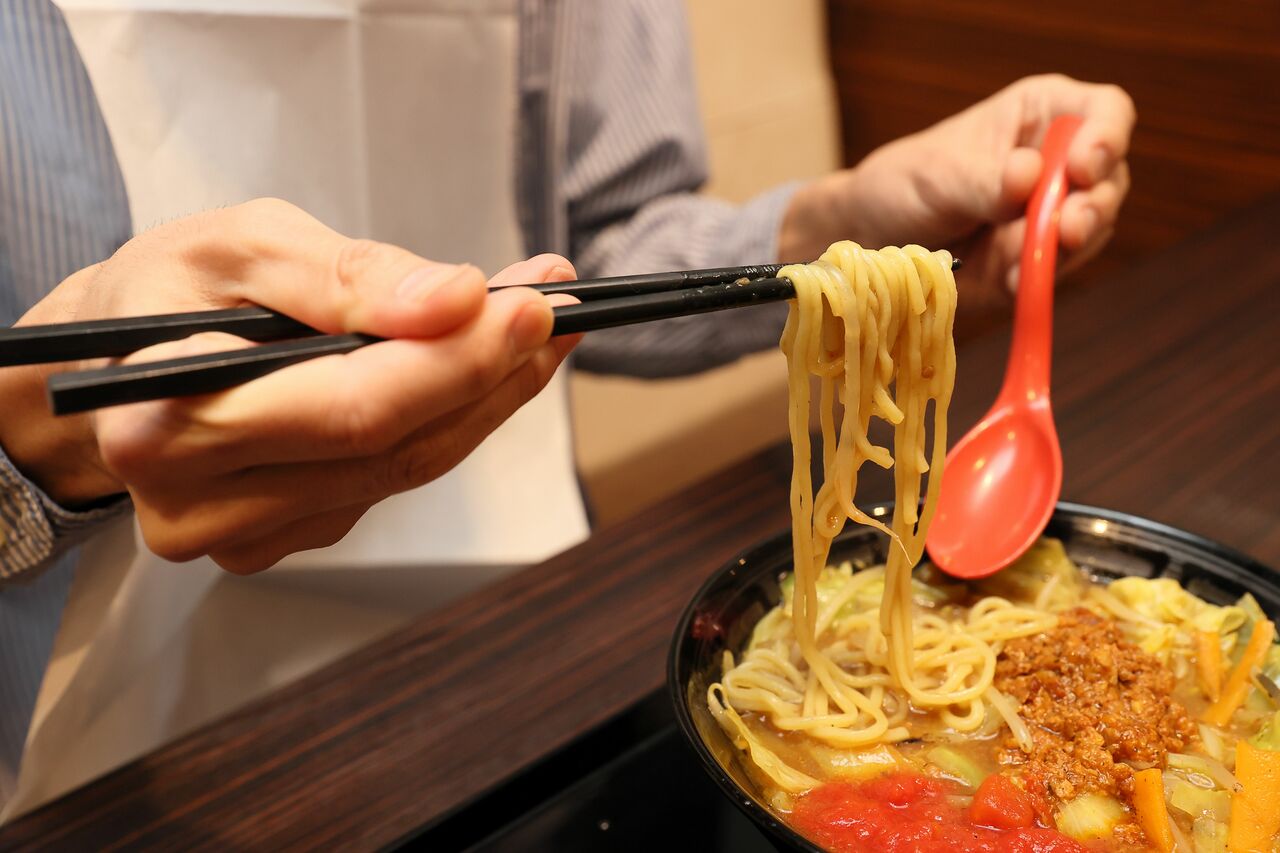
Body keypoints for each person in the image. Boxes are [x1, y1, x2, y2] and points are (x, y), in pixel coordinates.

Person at [0, 0, 1134, 820]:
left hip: (518, 642)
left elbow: (597, 251)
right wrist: (30, 449)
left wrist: (834, 233)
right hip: (78, 734)